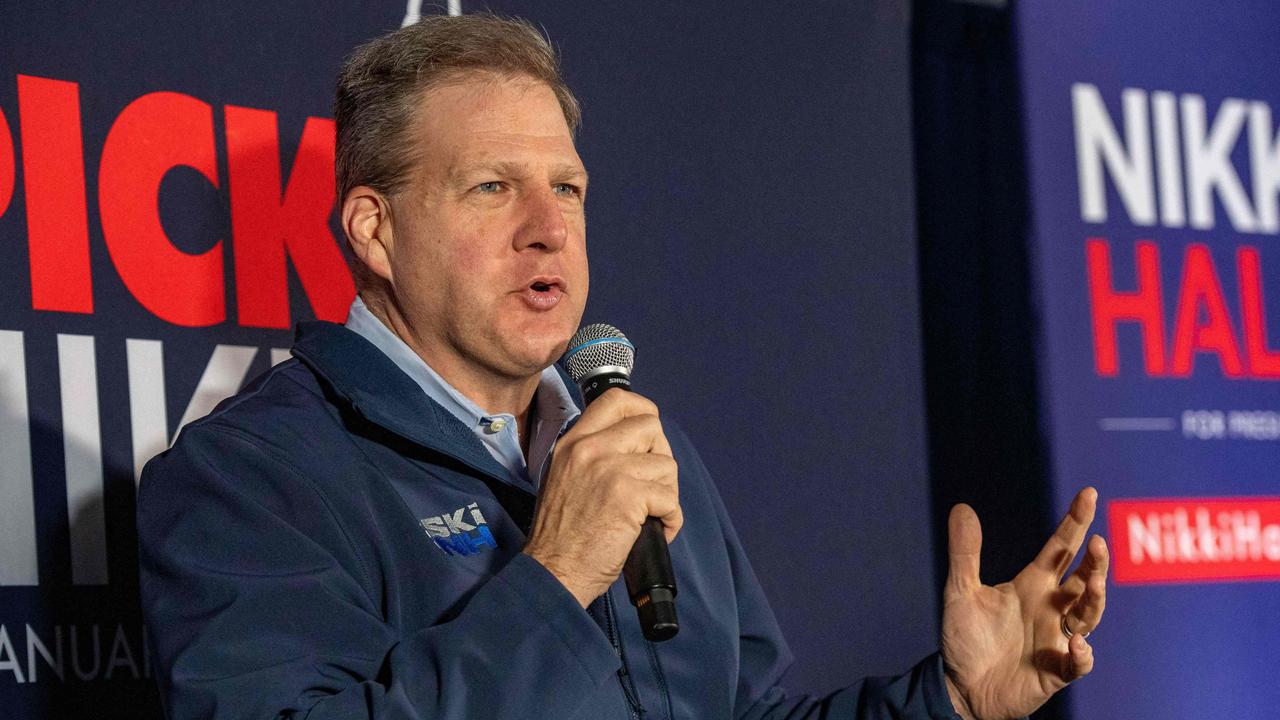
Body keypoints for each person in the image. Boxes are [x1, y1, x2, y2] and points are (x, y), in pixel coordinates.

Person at [137, 13, 1108, 720]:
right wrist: (553, 579)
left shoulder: (639, 448)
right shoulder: (249, 481)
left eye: (567, 187)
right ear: (373, 229)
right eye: (490, 188)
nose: (548, 228)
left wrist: (947, 699)